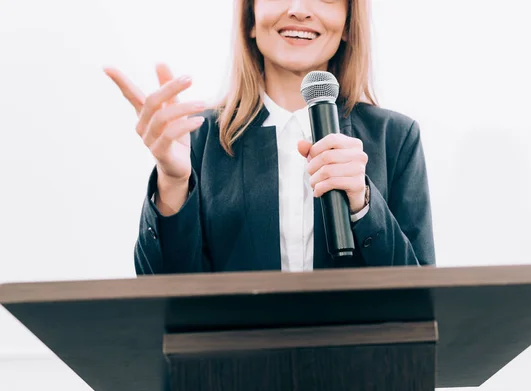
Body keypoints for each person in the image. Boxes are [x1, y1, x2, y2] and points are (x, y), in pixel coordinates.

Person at [104, 0, 435, 275]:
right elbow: (165, 298)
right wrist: (173, 185)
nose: (299, 9)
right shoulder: (195, 137)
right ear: (250, 18)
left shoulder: (395, 138)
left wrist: (363, 204)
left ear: (348, 23)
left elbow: (420, 299)